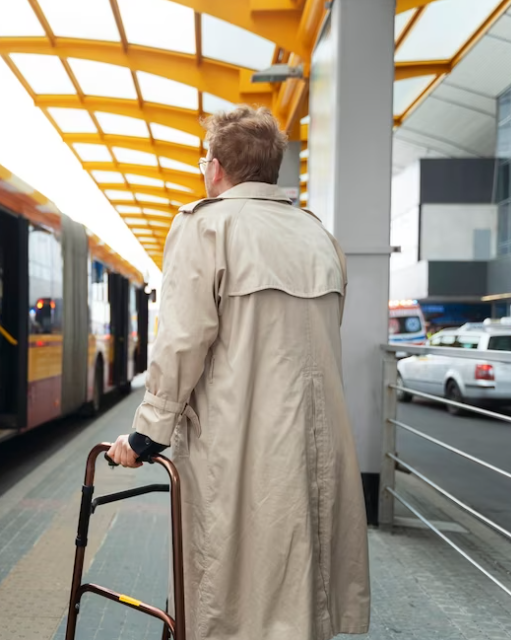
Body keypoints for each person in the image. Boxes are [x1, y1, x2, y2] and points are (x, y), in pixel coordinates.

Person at [107, 106, 370, 640]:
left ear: (218, 168)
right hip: (316, 450)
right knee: (300, 590)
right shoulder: (319, 237)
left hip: (237, 445)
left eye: (206, 159)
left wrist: (145, 435)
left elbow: (183, 340)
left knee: (225, 596)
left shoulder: (206, 225)